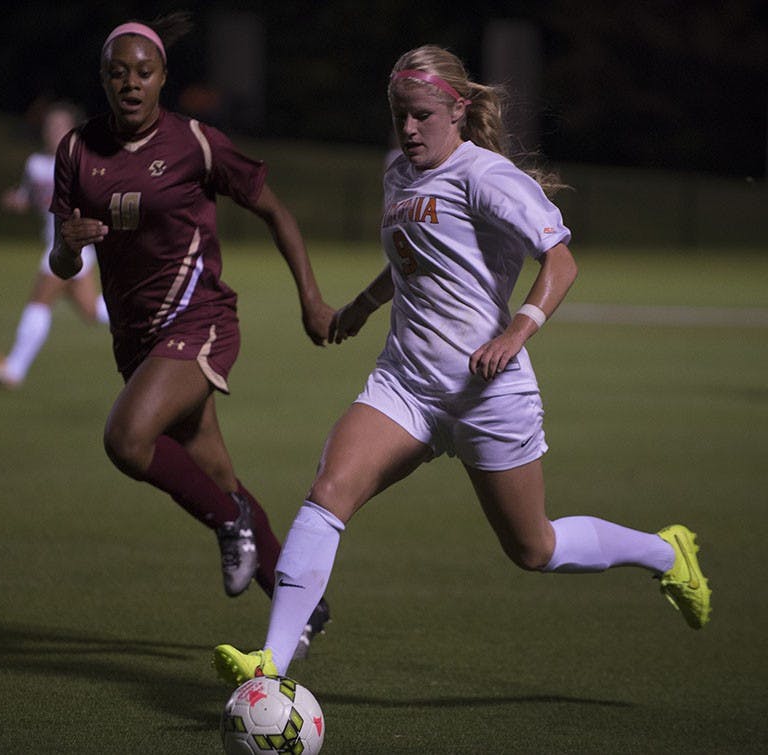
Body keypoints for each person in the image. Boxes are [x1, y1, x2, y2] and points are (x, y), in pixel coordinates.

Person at [213, 44, 711, 684]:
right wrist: (363, 306)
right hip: (407, 385)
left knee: (535, 548)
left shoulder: (487, 176)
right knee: (329, 491)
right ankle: (272, 662)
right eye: (400, 117)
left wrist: (517, 332)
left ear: (459, 108)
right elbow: (412, 259)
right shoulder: (399, 174)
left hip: (486, 392)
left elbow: (561, 261)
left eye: (421, 115)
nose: (409, 129)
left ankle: (665, 552)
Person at [48, 14, 335, 655]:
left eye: (143, 73)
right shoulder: (76, 152)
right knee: (216, 474)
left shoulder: (196, 144)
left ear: (163, 78)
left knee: (126, 438)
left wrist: (310, 299)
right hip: (137, 342)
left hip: (198, 321)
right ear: (103, 78)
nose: (131, 84)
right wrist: (67, 250)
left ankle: (230, 525)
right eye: (118, 73)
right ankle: (300, 602)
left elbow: (274, 210)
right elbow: (63, 263)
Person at [0, 101, 110, 389]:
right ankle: (149, 314)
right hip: (59, 247)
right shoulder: (36, 164)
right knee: (91, 311)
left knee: (39, 302)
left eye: (61, 126)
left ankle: (13, 370)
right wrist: (18, 200)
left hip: (71, 249)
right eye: (51, 126)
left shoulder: (84, 164)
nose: (55, 132)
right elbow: (30, 196)